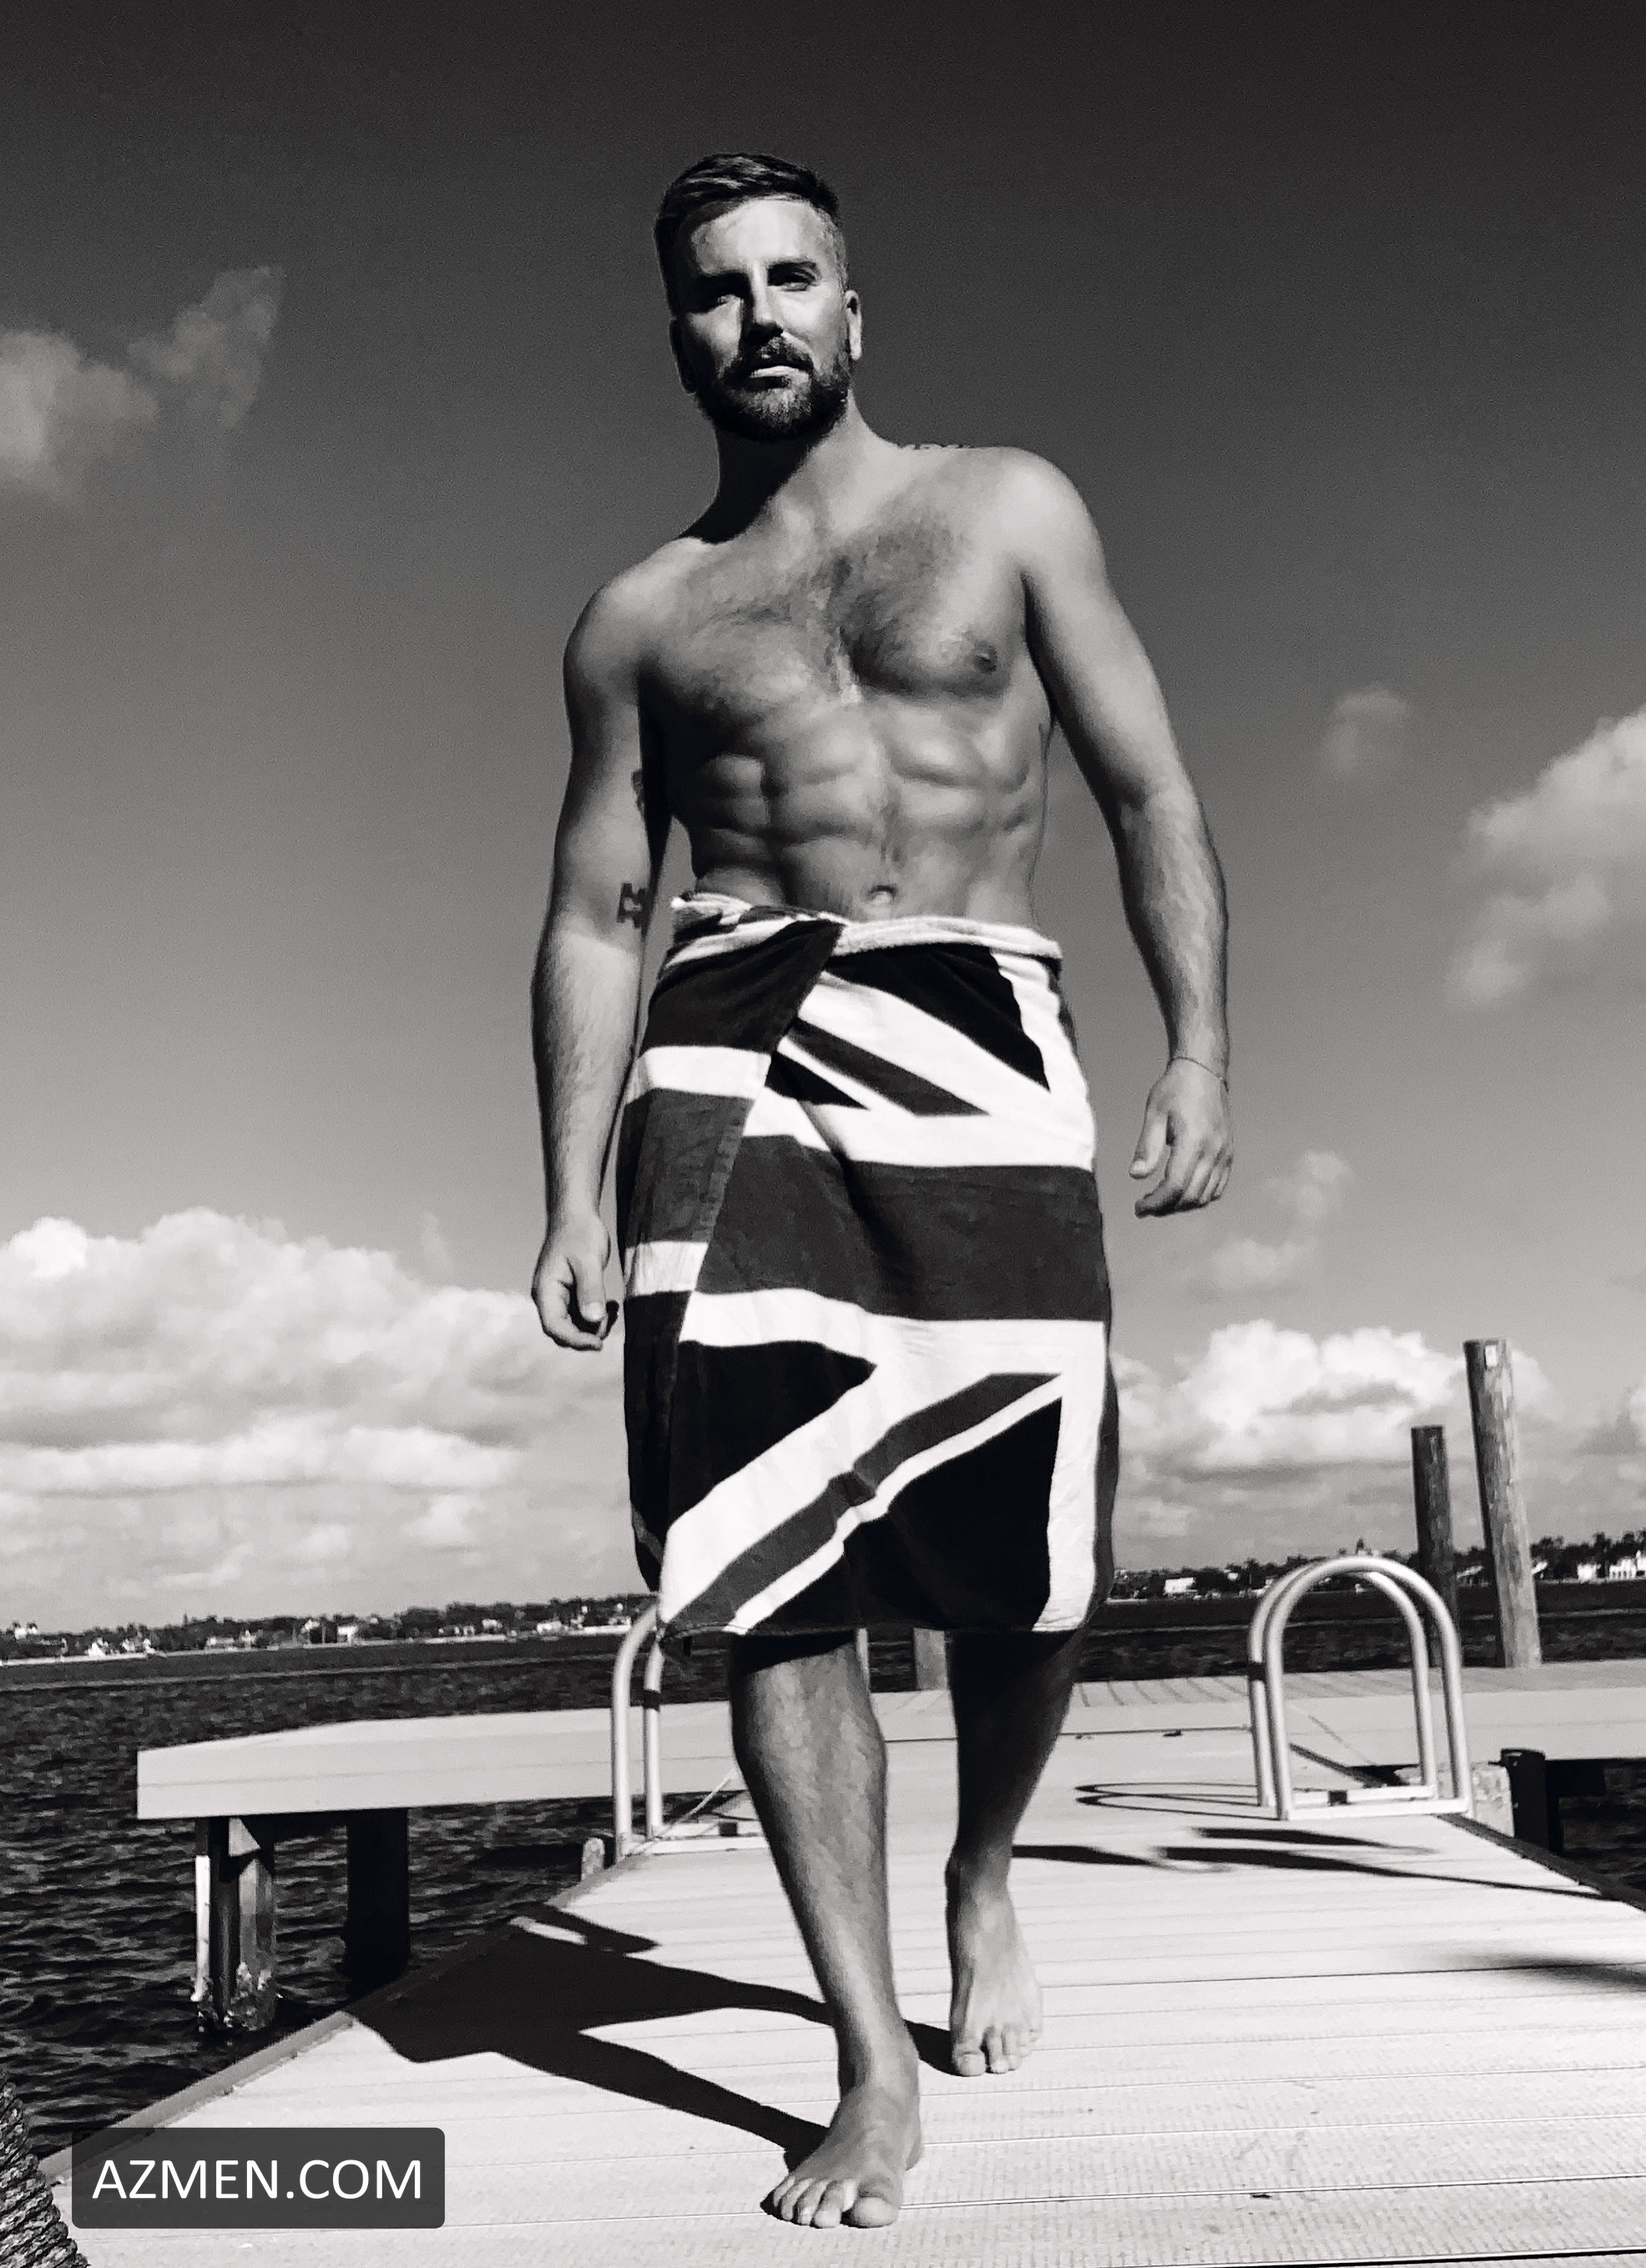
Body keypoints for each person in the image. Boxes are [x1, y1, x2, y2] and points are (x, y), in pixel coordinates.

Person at [530, 151, 1230, 2232]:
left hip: (977, 1027)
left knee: (1035, 1545)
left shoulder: (1007, 508)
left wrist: (1198, 1045)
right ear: (678, 333)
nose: (756, 313)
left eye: (791, 275)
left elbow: (1149, 785)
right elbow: (594, 911)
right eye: (716, 287)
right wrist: (568, 1189)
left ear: (854, 308)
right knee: (765, 1562)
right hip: (725, 1051)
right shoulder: (639, 619)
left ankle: (983, 1869)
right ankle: (864, 2062)